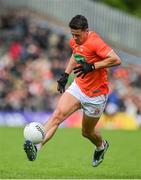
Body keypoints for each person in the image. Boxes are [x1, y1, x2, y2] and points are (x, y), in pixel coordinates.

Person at [23, 15, 121, 167]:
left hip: (96, 95)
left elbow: (116, 59)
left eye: (77, 35)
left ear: (86, 31)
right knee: (57, 115)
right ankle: (37, 146)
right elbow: (76, 55)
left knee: (87, 132)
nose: (74, 38)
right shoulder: (75, 41)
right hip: (79, 87)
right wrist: (65, 75)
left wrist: (92, 66)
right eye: (72, 34)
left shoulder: (95, 42)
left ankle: (101, 146)